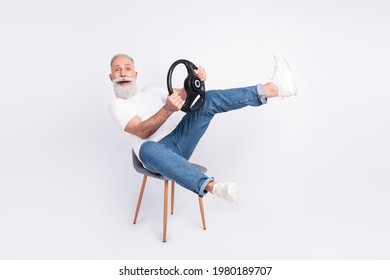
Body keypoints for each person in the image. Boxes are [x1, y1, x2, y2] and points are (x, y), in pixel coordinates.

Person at [108, 54, 297, 204]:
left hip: (180, 141)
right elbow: (142, 131)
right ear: (111, 77)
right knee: (147, 148)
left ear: (135, 74)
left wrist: (194, 79)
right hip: (156, 156)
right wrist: (167, 109)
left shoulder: (151, 91)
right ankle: (213, 187)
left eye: (127, 69)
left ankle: (272, 88)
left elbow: (184, 93)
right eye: (117, 70)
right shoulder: (117, 105)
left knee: (210, 99)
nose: (123, 74)